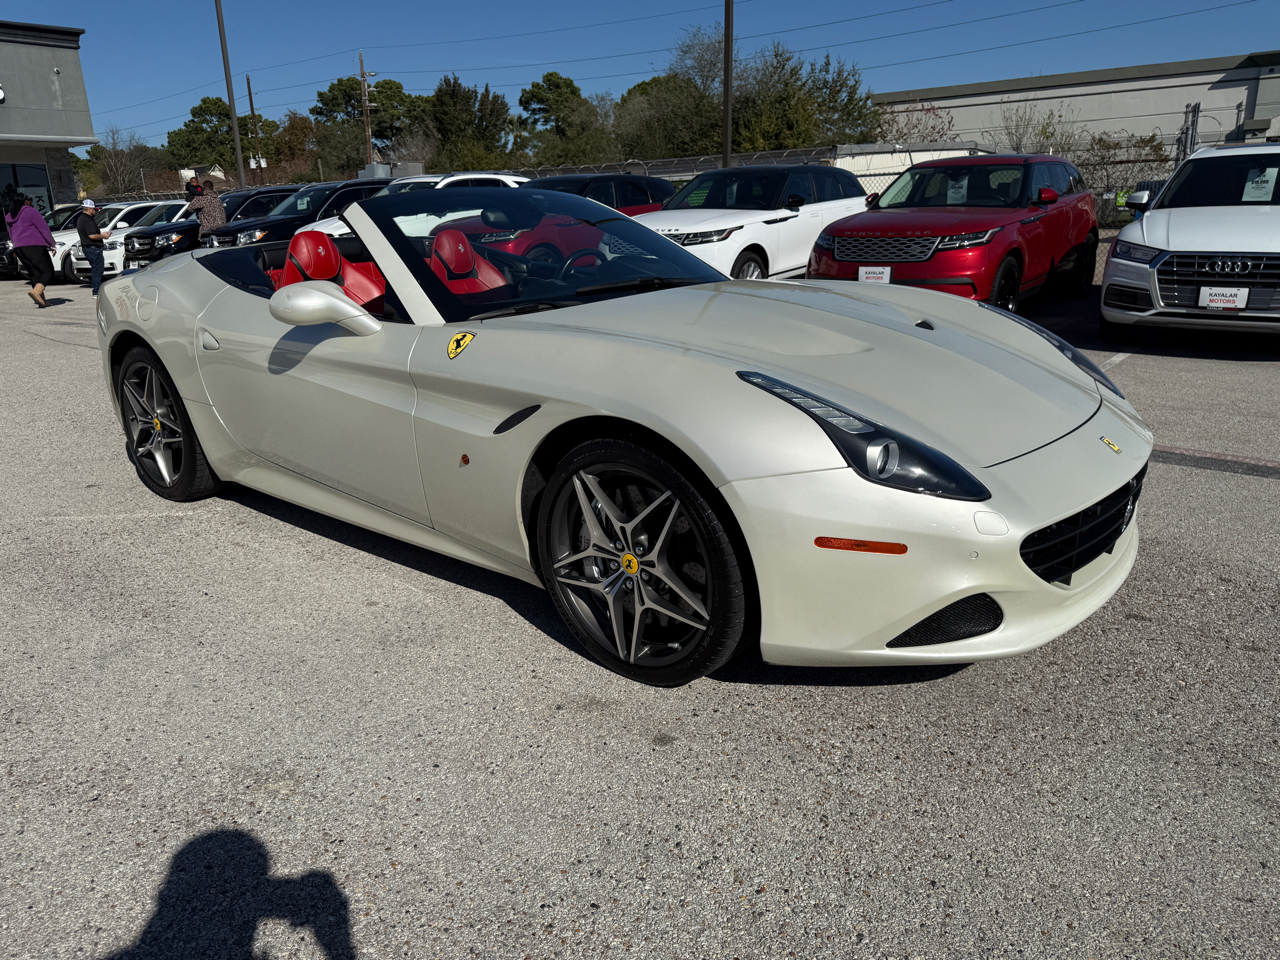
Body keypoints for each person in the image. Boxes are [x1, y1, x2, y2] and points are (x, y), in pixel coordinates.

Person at [5, 193, 57, 307]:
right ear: (25, 201)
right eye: (30, 199)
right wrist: (52, 244)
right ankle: (36, 292)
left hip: (19, 248)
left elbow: (11, 233)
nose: (32, 202)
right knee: (48, 271)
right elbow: (44, 228)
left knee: (34, 273)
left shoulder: (10, 215)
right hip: (34, 246)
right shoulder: (30, 211)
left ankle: (41, 301)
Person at [75, 199, 111, 298]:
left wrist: (100, 234)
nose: (95, 211)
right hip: (93, 248)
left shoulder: (81, 218)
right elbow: (92, 235)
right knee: (97, 270)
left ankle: (97, 290)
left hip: (88, 248)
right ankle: (96, 291)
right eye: (94, 209)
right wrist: (104, 236)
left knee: (96, 269)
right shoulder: (88, 220)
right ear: (90, 209)